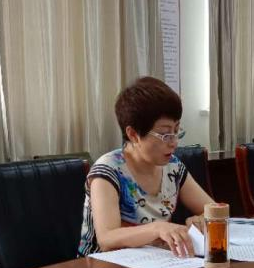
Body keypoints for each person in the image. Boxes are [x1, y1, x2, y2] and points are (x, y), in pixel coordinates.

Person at [79, 77, 214, 257]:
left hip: (157, 263)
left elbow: (213, 210)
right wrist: (157, 228)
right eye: (165, 134)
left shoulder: (173, 166)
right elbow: (107, 239)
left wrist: (201, 220)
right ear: (133, 134)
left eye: (176, 131)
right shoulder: (108, 170)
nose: (174, 142)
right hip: (102, 266)